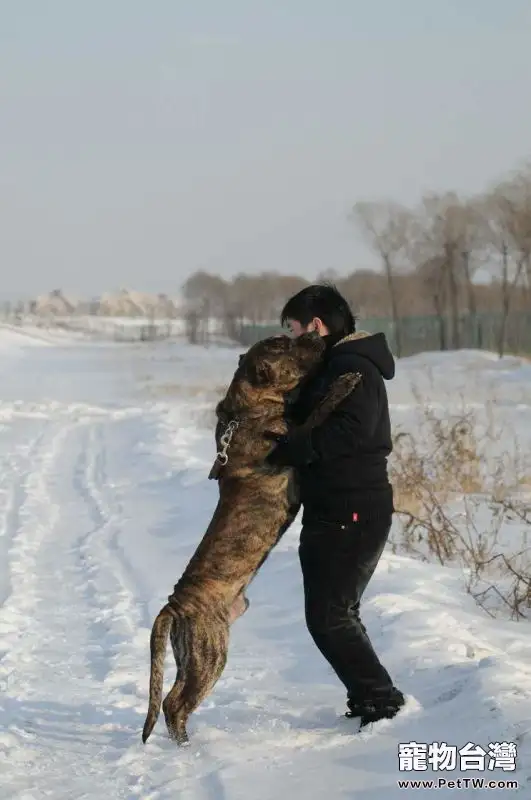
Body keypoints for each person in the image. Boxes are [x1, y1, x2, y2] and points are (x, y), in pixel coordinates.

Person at [264, 284, 405, 729]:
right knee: (335, 612)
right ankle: (371, 700)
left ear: (316, 326)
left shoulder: (352, 367)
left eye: (293, 329)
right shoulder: (334, 366)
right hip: (338, 506)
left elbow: (351, 435)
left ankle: (382, 703)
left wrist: (293, 446)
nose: (289, 339)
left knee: (328, 616)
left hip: (353, 507)